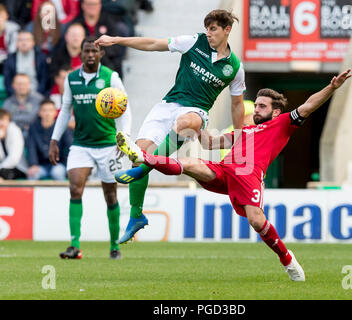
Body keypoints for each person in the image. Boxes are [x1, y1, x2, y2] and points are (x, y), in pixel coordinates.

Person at [116, 69, 352, 282]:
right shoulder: (243, 131)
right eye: (256, 105)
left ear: (275, 111)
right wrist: (199, 120)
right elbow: (209, 143)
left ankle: (287, 259)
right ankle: (142, 157)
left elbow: (309, 105)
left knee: (257, 221)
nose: (256, 109)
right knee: (189, 163)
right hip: (225, 171)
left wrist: (332, 87)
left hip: (249, 176)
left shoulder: (282, 124)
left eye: (262, 106)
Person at [95, 9, 246, 244]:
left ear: (227, 30)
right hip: (167, 105)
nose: (208, 33)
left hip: (196, 111)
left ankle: (144, 168)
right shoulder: (193, 42)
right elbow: (154, 43)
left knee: (187, 123)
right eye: (207, 28)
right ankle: (136, 216)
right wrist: (116, 40)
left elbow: (237, 104)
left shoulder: (234, 68)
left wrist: (239, 134)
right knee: (138, 155)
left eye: (213, 28)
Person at [48, 36, 132, 260]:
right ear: (81, 54)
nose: (90, 55)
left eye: (94, 51)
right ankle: (74, 246)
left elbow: (125, 108)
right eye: (87, 51)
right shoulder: (72, 78)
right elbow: (65, 109)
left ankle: (115, 246)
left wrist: (124, 137)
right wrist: (54, 139)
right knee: (75, 188)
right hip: (81, 145)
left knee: (110, 196)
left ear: (101, 54)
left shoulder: (110, 77)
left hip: (108, 145)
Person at [72, 0, 124, 77]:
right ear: (83, 5)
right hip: (83, 62)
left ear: (100, 5)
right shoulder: (77, 23)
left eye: (95, 4)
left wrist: (98, 52)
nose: (92, 7)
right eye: (89, 4)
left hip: (107, 60)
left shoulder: (108, 20)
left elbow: (116, 44)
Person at [27, 99, 72, 180]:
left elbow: (70, 147)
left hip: (59, 164)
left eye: (50, 110)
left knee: (57, 173)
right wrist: (33, 164)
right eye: (44, 110)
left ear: (55, 112)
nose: (47, 113)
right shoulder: (33, 128)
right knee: (32, 174)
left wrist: (67, 164)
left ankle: (62, 193)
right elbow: (31, 147)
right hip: (40, 164)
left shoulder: (63, 128)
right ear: (39, 112)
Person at [3, 30, 49, 96]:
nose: (24, 43)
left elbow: (44, 81)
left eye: (27, 40)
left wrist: (38, 95)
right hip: (16, 96)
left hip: (37, 94)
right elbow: (7, 82)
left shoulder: (41, 58)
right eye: (20, 40)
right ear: (16, 43)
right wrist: (16, 96)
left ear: (33, 42)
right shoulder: (10, 59)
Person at [2, 73, 44, 140]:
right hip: (13, 134)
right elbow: (4, 120)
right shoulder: (8, 103)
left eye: (24, 84)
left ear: (29, 85)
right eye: (18, 84)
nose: (21, 87)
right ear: (13, 85)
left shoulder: (39, 100)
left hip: (34, 134)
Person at [0, 109, 27, 180]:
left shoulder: (14, 131)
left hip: (18, 168)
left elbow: (14, 159)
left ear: (9, 120)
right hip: (3, 167)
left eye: (3, 120)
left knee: (4, 173)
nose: (1, 123)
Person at [0, 4, 20, 73]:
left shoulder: (13, 29)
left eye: (1, 16)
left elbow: (13, 50)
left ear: (6, 16)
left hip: (7, 61)